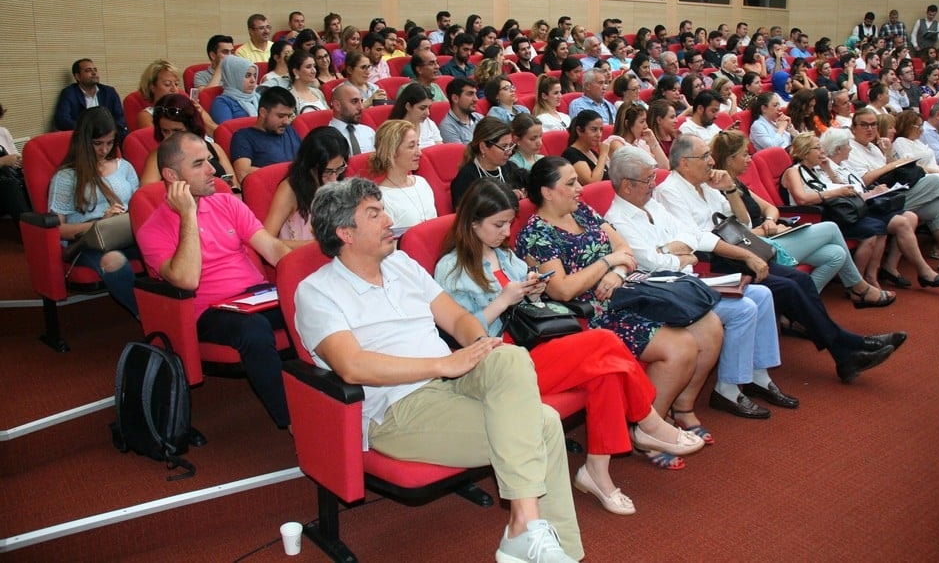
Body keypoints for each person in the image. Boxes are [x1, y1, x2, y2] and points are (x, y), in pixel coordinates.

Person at [296, 178, 583, 562]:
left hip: (452, 381)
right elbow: (352, 366)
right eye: (375, 214)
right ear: (345, 233)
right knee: (543, 424)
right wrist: (443, 364)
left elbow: (458, 318)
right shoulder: (317, 291)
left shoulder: (400, 264)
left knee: (510, 358)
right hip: (399, 409)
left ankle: (524, 527)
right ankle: (540, 540)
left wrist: (480, 343)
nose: (389, 220)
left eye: (384, 209)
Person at [437, 180, 703, 511]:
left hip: (532, 345)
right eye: (498, 224)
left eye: (508, 223)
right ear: (471, 222)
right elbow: (460, 333)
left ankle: (598, 473)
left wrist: (533, 290)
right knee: (604, 342)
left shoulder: (505, 257)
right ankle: (646, 421)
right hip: (498, 362)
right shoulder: (451, 268)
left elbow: (532, 300)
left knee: (604, 373)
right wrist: (503, 301)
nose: (506, 233)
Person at [655, 135, 906, 383]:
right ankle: (849, 347)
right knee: (788, 287)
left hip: (741, 251)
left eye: (710, 155)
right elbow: (698, 239)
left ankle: (846, 351)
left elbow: (743, 223)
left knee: (801, 281)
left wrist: (730, 190)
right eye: (705, 156)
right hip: (714, 263)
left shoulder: (708, 186)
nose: (711, 161)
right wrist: (747, 255)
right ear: (684, 162)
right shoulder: (670, 191)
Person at [515, 157, 725, 448]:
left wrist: (616, 270)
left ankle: (681, 408)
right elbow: (563, 289)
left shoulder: (583, 212)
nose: (580, 189)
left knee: (709, 324)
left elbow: (624, 250)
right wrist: (608, 262)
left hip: (626, 291)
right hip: (591, 314)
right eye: (571, 183)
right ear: (547, 192)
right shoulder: (536, 233)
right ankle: (650, 427)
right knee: (681, 347)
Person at [605, 147, 797, 420]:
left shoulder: (651, 205)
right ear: (627, 185)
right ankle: (728, 389)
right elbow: (652, 263)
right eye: (649, 180)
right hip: (667, 294)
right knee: (744, 308)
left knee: (763, 295)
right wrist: (680, 255)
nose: (653, 186)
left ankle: (758, 376)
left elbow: (691, 235)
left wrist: (673, 251)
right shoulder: (617, 220)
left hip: (689, 284)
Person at [138, 132, 290, 428]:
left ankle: (335, 400)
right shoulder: (151, 229)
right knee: (254, 330)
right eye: (199, 164)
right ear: (172, 176)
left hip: (255, 296)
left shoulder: (228, 203)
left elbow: (273, 250)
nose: (213, 170)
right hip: (210, 312)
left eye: (209, 160)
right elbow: (186, 279)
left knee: (311, 302)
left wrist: (306, 283)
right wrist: (189, 216)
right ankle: (293, 421)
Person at [714, 130, 893, 302]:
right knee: (831, 228)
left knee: (836, 254)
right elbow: (734, 234)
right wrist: (765, 230)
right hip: (759, 246)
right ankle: (858, 287)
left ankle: (800, 304)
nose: (749, 158)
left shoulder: (737, 183)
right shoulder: (720, 191)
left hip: (771, 234)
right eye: (745, 155)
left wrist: (769, 221)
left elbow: (771, 209)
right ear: (730, 160)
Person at [843, 107, 939, 278]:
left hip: (893, 194)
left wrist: (887, 155)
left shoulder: (873, 147)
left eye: (873, 125)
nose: (870, 129)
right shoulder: (851, 148)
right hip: (876, 200)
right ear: (853, 128)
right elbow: (864, 180)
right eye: (864, 125)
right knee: (937, 182)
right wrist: (895, 164)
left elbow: (888, 173)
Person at [816, 127, 939, 287]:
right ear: (838, 149)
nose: (850, 148)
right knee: (900, 223)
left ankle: (889, 268)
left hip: (867, 205)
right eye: (847, 145)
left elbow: (861, 186)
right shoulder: (825, 168)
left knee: (911, 217)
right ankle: (919, 271)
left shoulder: (843, 165)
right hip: (855, 211)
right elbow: (844, 194)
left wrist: (877, 190)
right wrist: (872, 193)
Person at [47, 107, 139, 318]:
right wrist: (100, 224)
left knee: (162, 246)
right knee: (113, 260)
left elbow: (139, 205)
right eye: (97, 143)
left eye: (109, 142)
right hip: (87, 243)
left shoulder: (124, 167)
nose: (104, 149)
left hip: (126, 234)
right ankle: (148, 317)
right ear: (83, 141)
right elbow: (57, 229)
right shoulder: (67, 176)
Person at [264, 126, 349, 247]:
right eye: (327, 171)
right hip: (302, 257)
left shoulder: (340, 181)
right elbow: (265, 240)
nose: (334, 178)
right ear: (310, 166)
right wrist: (316, 246)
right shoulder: (290, 189)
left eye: (339, 169)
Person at [140, 94, 236, 187]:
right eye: (165, 131)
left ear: (191, 128)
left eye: (177, 131)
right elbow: (147, 196)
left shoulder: (214, 148)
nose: (170, 137)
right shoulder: (157, 157)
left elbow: (235, 186)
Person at [369, 119, 437, 234]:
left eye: (418, 145)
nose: (419, 152)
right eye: (411, 146)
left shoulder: (422, 182)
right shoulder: (381, 197)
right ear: (392, 152)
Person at [451, 117, 528, 209]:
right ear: (483, 147)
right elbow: (465, 216)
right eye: (504, 146)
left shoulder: (511, 168)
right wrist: (508, 198)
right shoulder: (466, 178)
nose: (509, 152)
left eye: (510, 146)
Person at [230, 87, 302, 184]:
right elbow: (243, 173)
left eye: (289, 116)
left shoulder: (289, 130)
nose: (287, 122)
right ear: (263, 112)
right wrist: (291, 174)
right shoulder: (243, 137)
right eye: (280, 116)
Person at [135, 60, 215, 134]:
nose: (174, 89)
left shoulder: (191, 107)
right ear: (152, 87)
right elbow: (157, 143)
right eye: (167, 84)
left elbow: (218, 133)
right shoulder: (147, 115)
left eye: (176, 84)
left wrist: (197, 116)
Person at [54, 58, 127, 133]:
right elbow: (62, 121)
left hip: (109, 134)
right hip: (83, 136)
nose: (94, 73)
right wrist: (89, 130)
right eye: (88, 70)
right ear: (78, 76)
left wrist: (109, 130)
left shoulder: (109, 92)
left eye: (95, 70)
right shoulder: (69, 93)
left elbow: (120, 117)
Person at [607, 102, 669, 169]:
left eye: (646, 121)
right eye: (642, 122)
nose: (646, 126)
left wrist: (653, 141)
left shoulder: (641, 142)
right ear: (627, 123)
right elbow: (635, 171)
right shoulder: (616, 143)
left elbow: (665, 167)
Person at [0, 103, 29, 227]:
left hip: (10, 177)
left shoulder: (3, 132)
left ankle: (46, 222)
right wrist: (2, 162)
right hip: (6, 185)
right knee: (10, 185)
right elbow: (6, 161)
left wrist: (22, 161)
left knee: (31, 177)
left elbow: (15, 155)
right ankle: (28, 230)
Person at [563, 110, 610, 185]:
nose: (599, 135)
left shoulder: (592, 152)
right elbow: (592, 183)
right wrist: (603, 155)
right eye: (594, 130)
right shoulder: (571, 154)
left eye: (601, 130)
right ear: (579, 130)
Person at [388, 84, 442, 149]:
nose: (428, 113)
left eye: (429, 108)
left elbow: (440, 150)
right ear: (408, 106)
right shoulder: (393, 131)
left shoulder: (429, 123)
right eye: (422, 108)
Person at [208, 56, 259, 123]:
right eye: (247, 76)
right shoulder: (222, 102)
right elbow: (227, 131)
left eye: (255, 76)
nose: (253, 80)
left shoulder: (258, 97)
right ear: (234, 77)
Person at [328, 83, 375, 156]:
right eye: (354, 101)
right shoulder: (326, 138)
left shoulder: (369, 132)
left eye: (361, 101)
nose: (361, 107)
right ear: (337, 105)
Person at [440, 77, 482, 145]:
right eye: (470, 94)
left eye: (475, 94)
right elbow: (462, 154)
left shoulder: (480, 118)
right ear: (455, 98)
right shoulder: (447, 127)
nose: (476, 99)